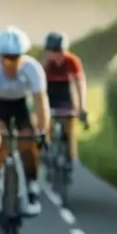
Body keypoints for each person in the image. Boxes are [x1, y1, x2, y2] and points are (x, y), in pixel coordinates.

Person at [0, 26, 48, 215]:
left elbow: (40, 102)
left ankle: (32, 184)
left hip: (20, 107)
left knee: (29, 144)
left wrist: (42, 132)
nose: (10, 62)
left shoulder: (33, 69)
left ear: (23, 55)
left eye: (15, 57)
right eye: (6, 57)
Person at [41, 31, 90, 167]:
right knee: (46, 126)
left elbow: (80, 83)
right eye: (52, 51)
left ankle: (71, 157)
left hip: (66, 96)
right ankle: (46, 150)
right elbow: (38, 90)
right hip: (49, 94)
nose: (56, 55)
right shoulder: (45, 64)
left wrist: (82, 107)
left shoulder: (72, 61)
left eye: (59, 51)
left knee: (69, 129)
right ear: (47, 51)